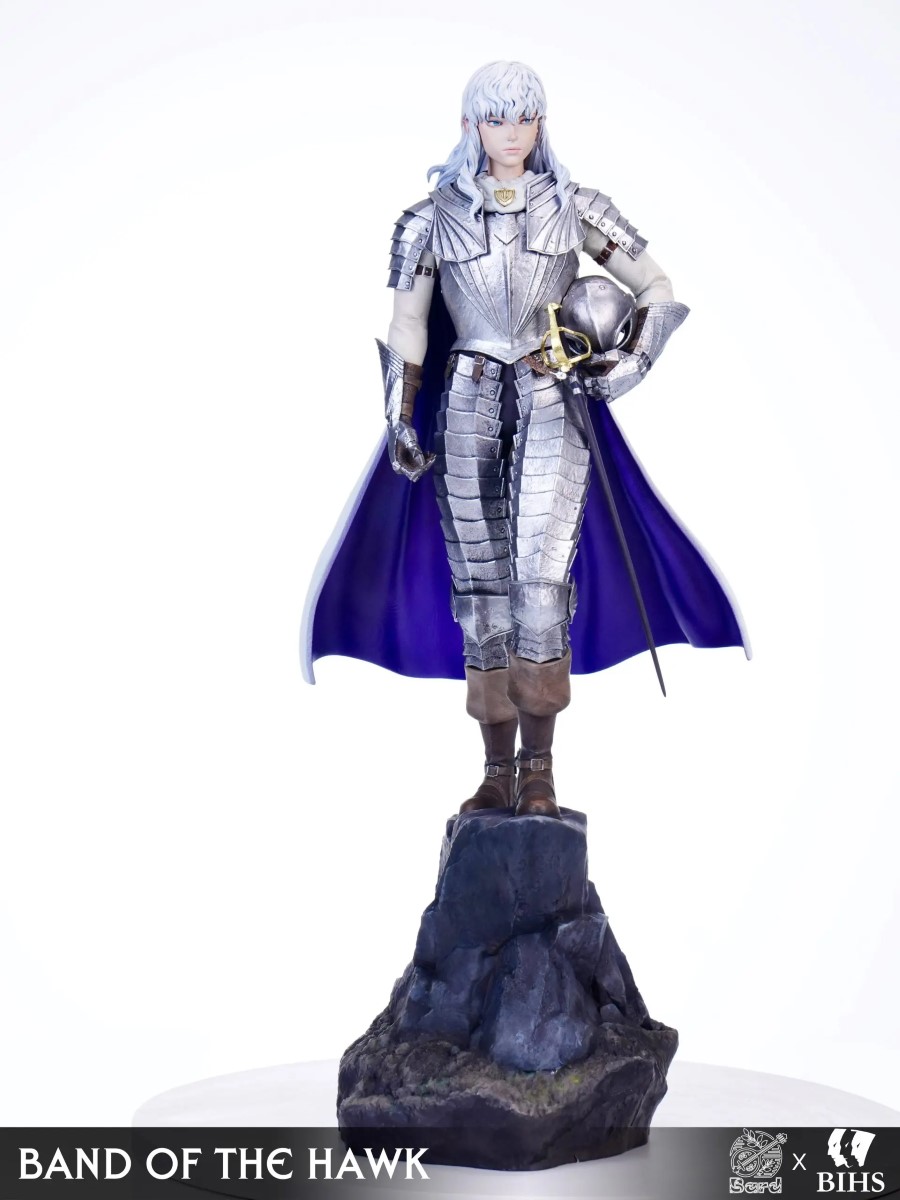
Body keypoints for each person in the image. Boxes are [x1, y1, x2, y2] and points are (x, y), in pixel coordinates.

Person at [301, 61, 748, 818]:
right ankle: (494, 772)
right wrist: (400, 416)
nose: (511, 133)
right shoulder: (428, 219)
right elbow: (408, 325)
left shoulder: (575, 207)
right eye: (496, 118)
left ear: (540, 124)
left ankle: (538, 772)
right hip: (464, 402)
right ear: (471, 125)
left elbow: (657, 287)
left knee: (541, 593)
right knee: (480, 600)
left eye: (523, 117)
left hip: (551, 399)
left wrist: (625, 364)